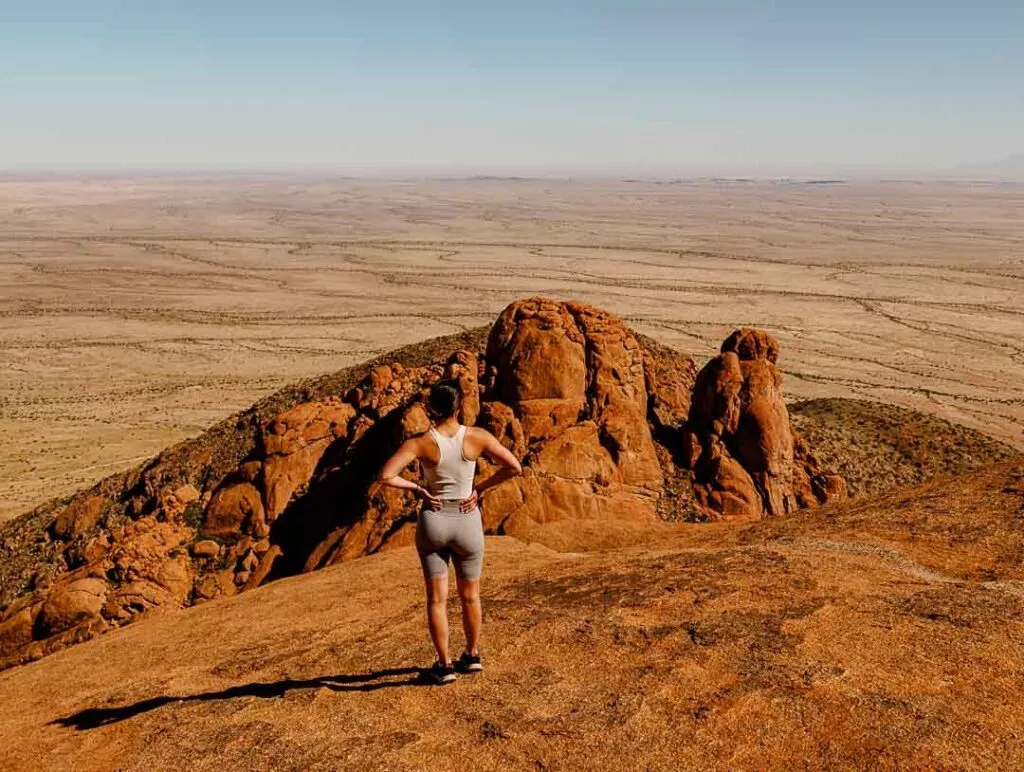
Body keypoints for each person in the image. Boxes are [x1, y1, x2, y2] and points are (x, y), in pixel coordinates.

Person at [379, 379, 522, 685]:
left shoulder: (420, 443)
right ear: (459, 406)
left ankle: (444, 666)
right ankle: (471, 655)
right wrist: (479, 488)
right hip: (467, 518)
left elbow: (386, 476)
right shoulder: (476, 437)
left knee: (437, 599)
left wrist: (419, 488)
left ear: (431, 408)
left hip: (435, 519)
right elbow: (513, 467)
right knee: (470, 595)